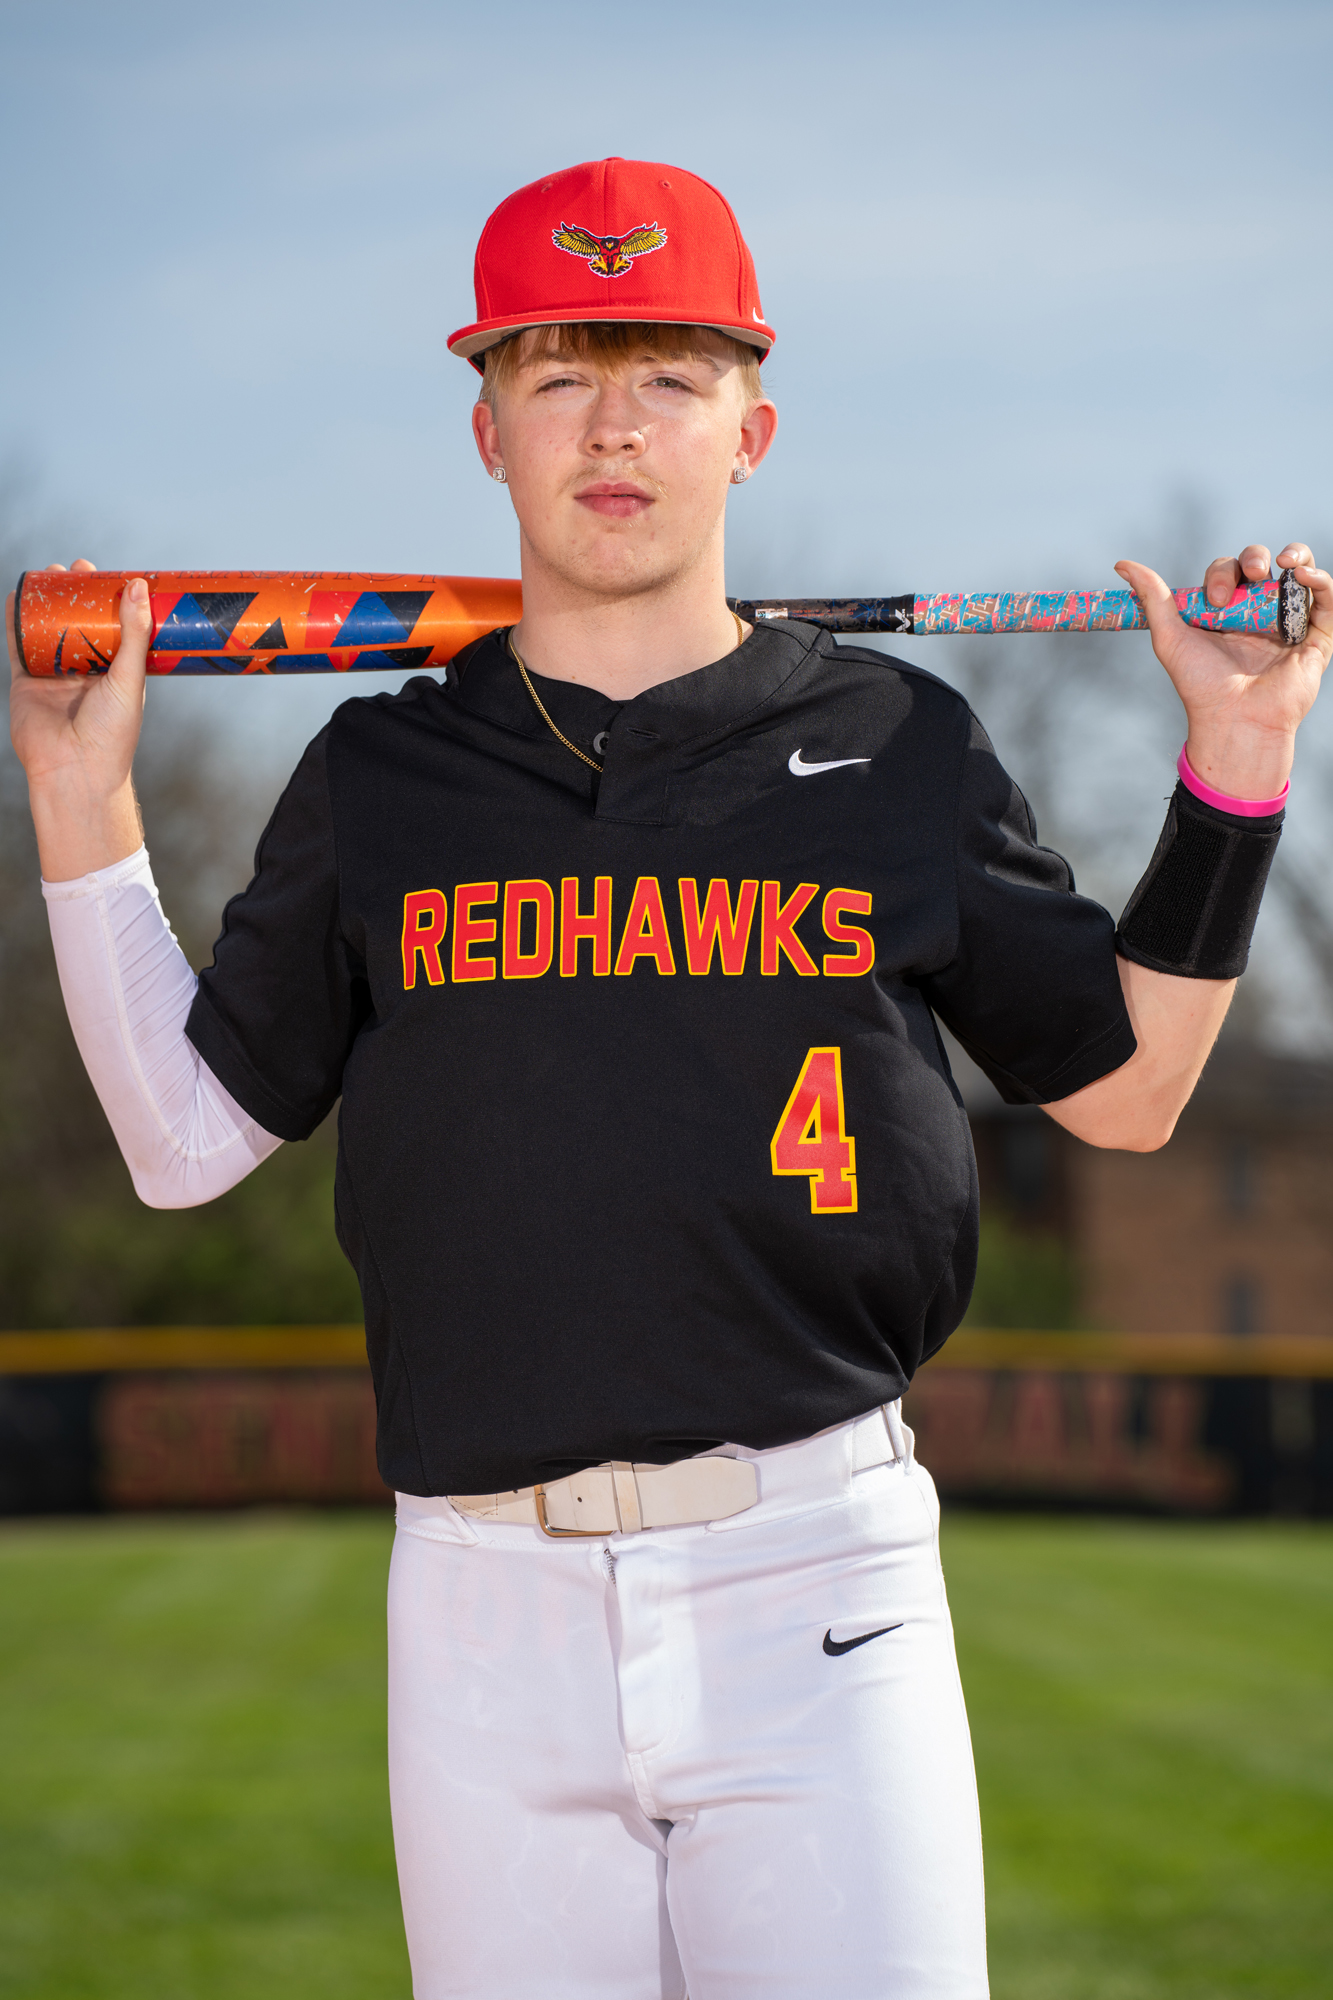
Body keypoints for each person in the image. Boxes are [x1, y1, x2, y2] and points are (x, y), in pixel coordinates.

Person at [8, 155, 1330, 2000]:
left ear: (749, 429)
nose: (614, 426)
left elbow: (1127, 1093)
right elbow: (178, 1144)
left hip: (815, 1579)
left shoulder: (892, 743)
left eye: (670, 378)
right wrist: (80, 792)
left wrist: (1238, 767)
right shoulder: (383, 774)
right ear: (488, 433)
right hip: (476, 1605)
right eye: (558, 375)